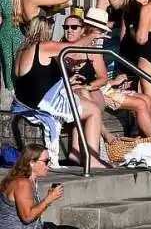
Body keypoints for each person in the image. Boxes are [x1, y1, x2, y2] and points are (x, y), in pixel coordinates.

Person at [13, 19, 104, 168]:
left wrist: (66, 81)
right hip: (40, 103)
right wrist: (93, 35)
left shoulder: (22, 49)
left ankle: (76, 154)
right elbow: (74, 47)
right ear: (46, 29)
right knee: (93, 110)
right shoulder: (43, 46)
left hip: (24, 101)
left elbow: (36, 78)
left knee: (79, 101)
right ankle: (92, 159)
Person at [63, 11, 151, 141]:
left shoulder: (96, 45)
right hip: (96, 91)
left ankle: (142, 136)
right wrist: (111, 82)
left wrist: (113, 81)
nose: (102, 34)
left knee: (146, 99)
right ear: (89, 28)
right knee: (140, 103)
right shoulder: (73, 47)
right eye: (66, 27)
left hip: (100, 88)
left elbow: (101, 76)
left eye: (74, 27)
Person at [0, 0, 24, 90]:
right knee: (7, 63)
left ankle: (21, 89)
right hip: (5, 33)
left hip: (22, 33)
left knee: (20, 61)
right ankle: (11, 91)